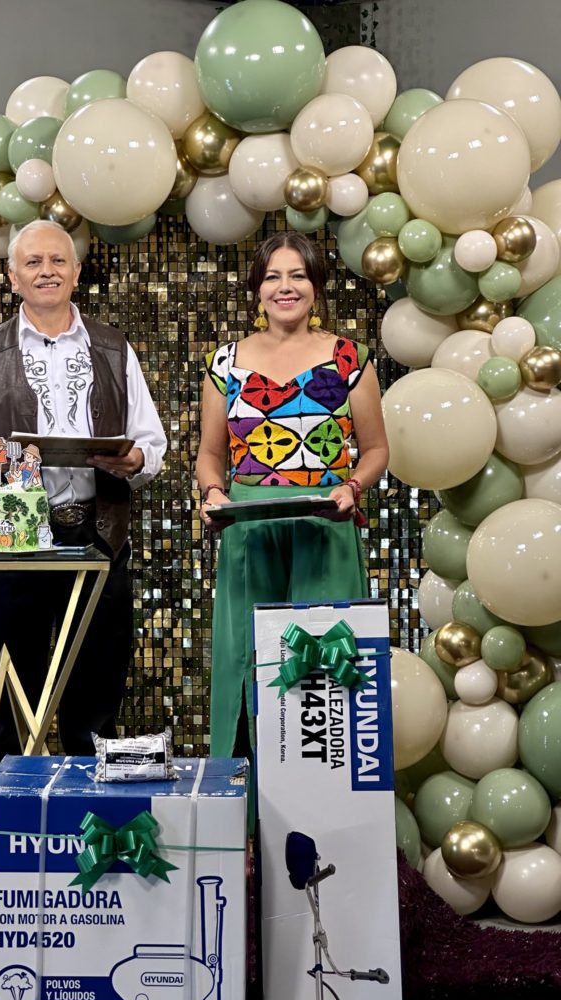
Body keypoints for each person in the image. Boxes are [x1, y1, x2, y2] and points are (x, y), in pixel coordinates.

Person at [0, 220, 167, 758]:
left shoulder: (114, 348)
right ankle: (12, 799)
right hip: (13, 541)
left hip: (98, 536)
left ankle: (88, 803)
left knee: (96, 695)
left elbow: (152, 444)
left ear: (76, 272)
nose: (47, 271)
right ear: (13, 277)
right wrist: (2, 458)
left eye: (58, 261)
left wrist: (134, 459)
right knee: (13, 694)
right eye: (34, 262)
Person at [196, 230, 389, 758]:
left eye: (298, 275)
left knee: (327, 663)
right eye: (273, 277)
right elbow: (209, 454)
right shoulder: (224, 363)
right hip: (249, 529)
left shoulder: (350, 360)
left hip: (325, 524)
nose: (286, 287)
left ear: (316, 286)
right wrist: (213, 492)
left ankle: (329, 793)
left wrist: (352, 487)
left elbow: (376, 450)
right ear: (257, 289)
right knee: (247, 660)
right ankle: (249, 797)